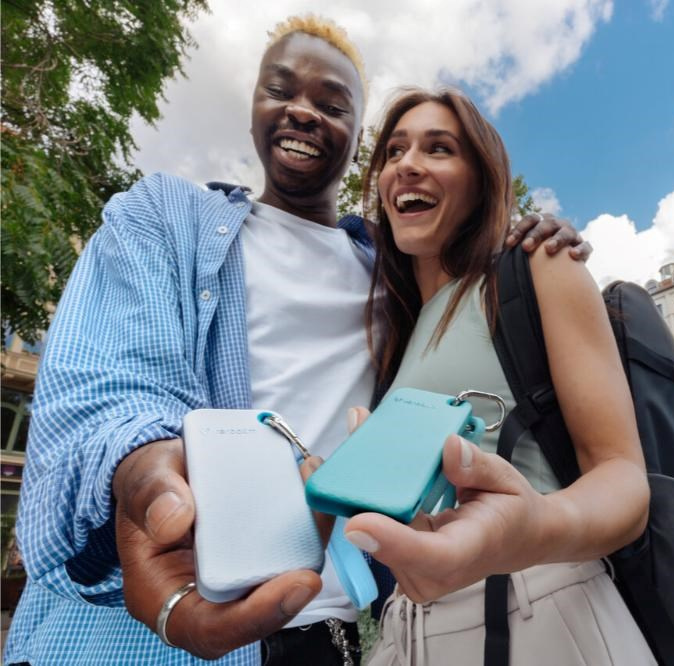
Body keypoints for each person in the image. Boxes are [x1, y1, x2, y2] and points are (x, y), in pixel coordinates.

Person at [3, 17, 589, 666]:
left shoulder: (392, 272)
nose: (303, 112)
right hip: (140, 635)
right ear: (256, 106)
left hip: (334, 631)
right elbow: (105, 381)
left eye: (332, 105)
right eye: (280, 90)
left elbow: (464, 281)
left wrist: (527, 235)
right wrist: (144, 471)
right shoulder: (164, 217)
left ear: (357, 139)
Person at [342, 87, 655, 664]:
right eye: (394, 152)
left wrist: (534, 526)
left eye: (439, 148)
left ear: (481, 181)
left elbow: (625, 482)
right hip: (406, 631)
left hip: (539, 614)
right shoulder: (397, 328)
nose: (407, 164)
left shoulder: (539, 266)